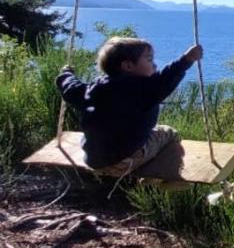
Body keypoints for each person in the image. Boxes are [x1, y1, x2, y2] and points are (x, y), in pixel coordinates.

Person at [56, 36, 203, 177]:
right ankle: (167, 176)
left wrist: (66, 74)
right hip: (124, 162)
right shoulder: (142, 89)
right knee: (169, 133)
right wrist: (186, 60)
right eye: (149, 59)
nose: (155, 64)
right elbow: (166, 78)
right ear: (128, 66)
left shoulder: (93, 88)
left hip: (94, 161)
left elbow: (71, 88)